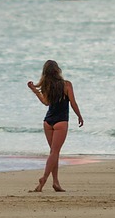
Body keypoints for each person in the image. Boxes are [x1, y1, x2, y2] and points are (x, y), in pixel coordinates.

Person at [26, 59, 84, 192]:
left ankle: (56, 183)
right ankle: (44, 179)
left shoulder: (47, 86)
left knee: (53, 152)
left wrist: (35, 90)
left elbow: (45, 103)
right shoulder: (66, 84)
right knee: (55, 152)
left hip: (48, 122)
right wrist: (79, 115)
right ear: (58, 70)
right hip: (61, 121)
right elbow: (73, 103)